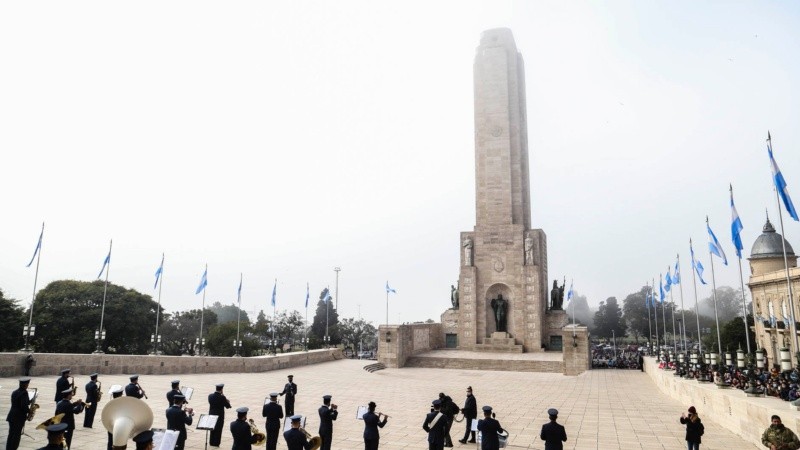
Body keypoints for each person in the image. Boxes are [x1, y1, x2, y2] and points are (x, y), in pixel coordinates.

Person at [6, 376, 31, 450]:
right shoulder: (24, 393)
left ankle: (9, 448)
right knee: (16, 436)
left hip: (11, 416)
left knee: (11, 434)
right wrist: (29, 411)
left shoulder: (15, 392)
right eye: (27, 384)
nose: (27, 386)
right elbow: (23, 406)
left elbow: (18, 402)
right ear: (25, 385)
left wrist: (29, 401)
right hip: (18, 418)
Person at [106, 385, 124, 450]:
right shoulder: (122, 404)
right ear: (120, 394)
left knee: (110, 442)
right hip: (118, 427)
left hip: (110, 426)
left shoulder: (110, 403)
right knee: (118, 443)